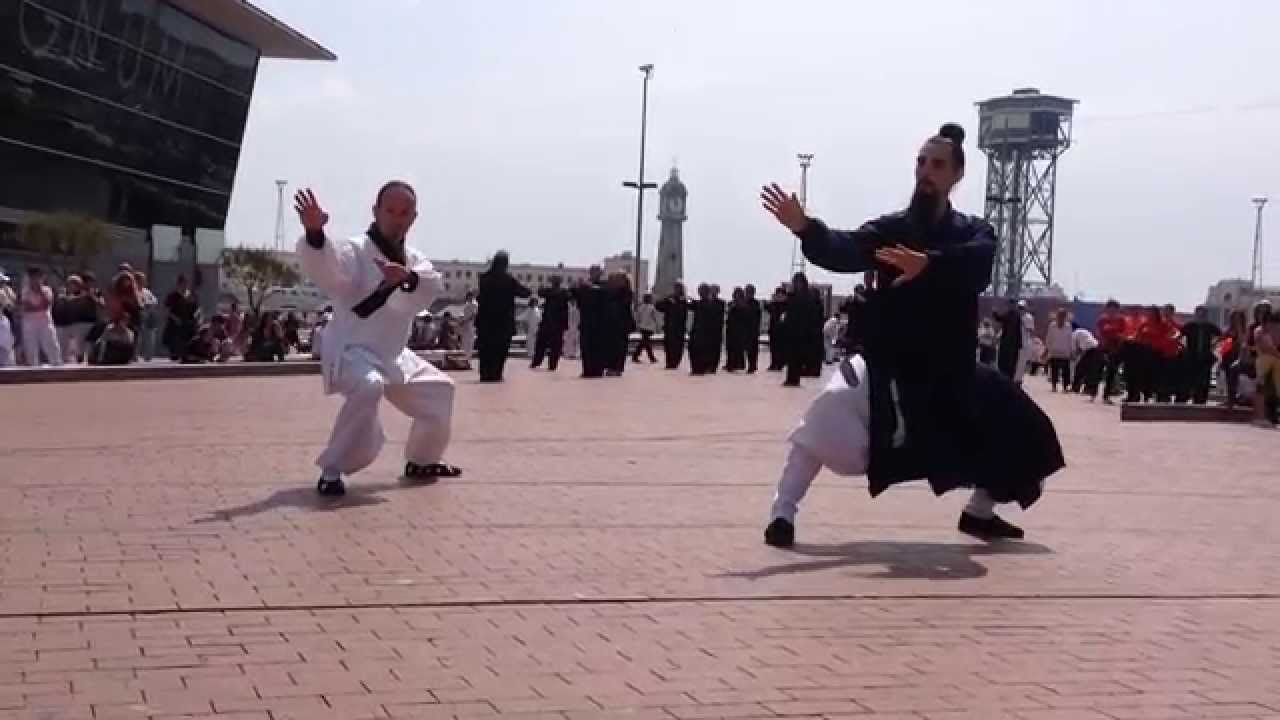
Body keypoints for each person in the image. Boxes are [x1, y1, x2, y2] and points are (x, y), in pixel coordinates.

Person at [758, 122, 1063, 547]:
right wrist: (806, 229)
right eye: (921, 161)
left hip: (950, 371)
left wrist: (929, 266)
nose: (926, 170)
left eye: (937, 164)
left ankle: (979, 512)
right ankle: (782, 513)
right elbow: (846, 247)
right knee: (827, 411)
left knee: (1029, 435)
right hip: (890, 363)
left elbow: (979, 263)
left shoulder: (974, 232)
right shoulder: (891, 230)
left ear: (956, 175)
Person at [293, 183, 461, 496]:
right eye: (390, 211)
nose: (397, 218)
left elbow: (429, 286)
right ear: (375, 212)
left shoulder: (413, 258)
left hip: (393, 354)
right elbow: (330, 273)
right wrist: (315, 234)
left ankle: (422, 460)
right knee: (369, 387)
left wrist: (407, 279)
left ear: (414, 217)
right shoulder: (355, 250)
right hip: (352, 350)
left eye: (404, 213)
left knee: (440, 391)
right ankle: (332, 470)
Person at [475, 251, 531, 383]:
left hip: (486, 322)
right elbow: (526, 293)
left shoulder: (484, 278)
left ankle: (485, 374)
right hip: (503, 322)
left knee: (485, 349)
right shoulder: (509, 280)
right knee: (500, 350)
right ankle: (496, 374)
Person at [782, 273, 822, 387]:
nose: (796, 284)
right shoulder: (793, 296)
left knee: (797, 356)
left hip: (802, 331)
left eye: (798, 282)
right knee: (791, 356)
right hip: (792, 330)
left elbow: (811, 316)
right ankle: (791, 378)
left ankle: (795, 378)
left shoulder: (807, 297)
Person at [1176, 306, 1221, 405]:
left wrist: (1214, 345)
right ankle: (1184, 400)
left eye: (1203, 314)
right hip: (1191, 357)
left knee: (1203, 383)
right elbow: (1178, 337)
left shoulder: (1210, 326)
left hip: (1205, 357)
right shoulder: (1189, 326)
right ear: (1196, 315)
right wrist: (1183, 348)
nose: (1201, 317)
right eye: (1199, 314)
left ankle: (1200, 401)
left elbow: (1221, 336)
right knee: (1188, 381)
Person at [572, 266, 611, 378]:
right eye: (592, 271)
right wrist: (577, 286)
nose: (594, 274)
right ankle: (587, 370)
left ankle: (598, 370)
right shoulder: (584, 287)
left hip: (600, 323)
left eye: (597, 271)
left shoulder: (605, 286)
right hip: (586, 322)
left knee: (599, 347)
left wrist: (592, 288)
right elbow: (576, 297)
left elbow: (607, 297)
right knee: (586, 347)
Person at [20, 267, 61, 366]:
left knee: (52, 346)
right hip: (29, 323)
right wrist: (36, 307)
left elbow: (46, 304)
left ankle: (57, 367)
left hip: (45, 322)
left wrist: (39, 290)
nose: (35, 279)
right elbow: (26, 307)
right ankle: (33, 370)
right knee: (31, 348)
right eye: (32, 277)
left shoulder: (47, 290)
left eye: (37, 277)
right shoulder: (25, 291)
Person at [532, 276, 570, 371]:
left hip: (551, 322)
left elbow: (540, 292)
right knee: (552, 345)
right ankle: (550, 364)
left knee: (544, 344)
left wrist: (541, 286)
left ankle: (539, 362)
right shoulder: (563, 292)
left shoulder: (552, 292)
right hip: (555, 323)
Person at [1095, 300, 1129, 404]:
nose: (1112, 311)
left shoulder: (1121, 320)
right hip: (1103, 347)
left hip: (1116, 348)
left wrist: (1117, 337)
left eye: (1115, 309)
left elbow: (1124, 333)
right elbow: (1099, 332)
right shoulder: (1102, 320)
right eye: (1110, 308)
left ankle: (1107, 394)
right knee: (1098, 370)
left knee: (1111, 371)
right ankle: (1093, 390)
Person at [163, 275, 200, 361]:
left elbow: (198, 309)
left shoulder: (192, 295)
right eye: (182, 283)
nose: (185, 285)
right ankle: (175, 355)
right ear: (178, 284)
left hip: (189, 323)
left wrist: (196, 318)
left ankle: (186, 355)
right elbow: (167, 310)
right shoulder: (172, 296)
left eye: (186, 283)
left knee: (188, 340)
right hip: (176, 323)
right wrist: (174, 318)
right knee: (175, 341)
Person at [655, 282, 692, 369]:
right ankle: (669, 362)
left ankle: (675, 362)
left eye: (678, 288)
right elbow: (658, 306)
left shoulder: (684, 300)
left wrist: (687, 300)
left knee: (678, 346)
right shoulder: (669, 299)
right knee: (668, 345)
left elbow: (692, 306)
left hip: (680, 327)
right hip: (669, 326)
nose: (677, 290)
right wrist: (666, 300)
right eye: (675, 288)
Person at [687, 283, 719, 375]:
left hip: (705, 333)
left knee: (700, 351)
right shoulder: (700, 303)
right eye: (699, 291)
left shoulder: (711, 304)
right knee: (693, 349)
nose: (700, 293)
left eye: (701, 291)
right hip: (697, 332)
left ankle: (699, 369)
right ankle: (696, 369)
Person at [1070, 324, 1103, 398]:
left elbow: (1074, 349)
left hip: (1090, 350)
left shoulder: (1074, 334)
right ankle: (1088, 389)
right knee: (1091, 370)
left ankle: (1075, 388)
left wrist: (1073, 356)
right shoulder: (1084, 330)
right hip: (1097, 348)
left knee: (1079, 369)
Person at [1044, 308, 1073, 392]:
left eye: (1063, 316)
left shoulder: (1068, 326)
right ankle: (1054, 386)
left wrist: (1071, 351)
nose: (1061, 317)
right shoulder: (1052, 325)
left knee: (1065, 371)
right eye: (1059, 315)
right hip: (1054, 351)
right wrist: (1047, 350)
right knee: (1054, 370)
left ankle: (1065, 387)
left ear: (1065, 317)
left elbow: (1070, 339)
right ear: (1057, 316)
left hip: (1065, 352)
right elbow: (1049, 338)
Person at [995, 299, 1023, 382]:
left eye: (1012, 304)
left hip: (1012, 343)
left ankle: (1009, 379)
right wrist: (995, 313)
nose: (1011, 306)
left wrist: (1019, 343)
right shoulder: (1008, 314)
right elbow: (1000, 319)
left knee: (1011, 363)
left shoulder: (1016, 316)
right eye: (1010, 304)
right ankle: (1004, 378)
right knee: (1003, 361)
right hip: (1006, 341)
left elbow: (1018, 330)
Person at [724, 287, 750, 372]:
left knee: (738, 347)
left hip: (739, 329)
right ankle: (730, 363)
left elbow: (744, 316)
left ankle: (738, 364)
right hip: (731, 328)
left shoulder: (744, 305)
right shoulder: (732, 303)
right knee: (730, 347)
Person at [136, 273, 161, 361]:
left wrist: (148, 304)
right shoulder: (134, 290)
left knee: (149, 337)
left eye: (143, 280)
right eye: (141, 280)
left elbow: (154, 301)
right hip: (138, 317)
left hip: (149, 318)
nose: (143, 282)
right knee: (138, 338)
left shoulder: (146, 291)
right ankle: (135, 356)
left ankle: (148, 356)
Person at [765, 286, 788, 372]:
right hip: (773, 329)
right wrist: (773, 299)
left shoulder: (787, 305)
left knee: (781, 348)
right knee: (773, 348)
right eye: (778, 294)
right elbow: (766, 307)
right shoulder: (773, 305)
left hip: (783, 330)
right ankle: (773, 364)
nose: (779, 296)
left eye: (781, 294)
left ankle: (780, 364)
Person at [632, 293, 660, 364]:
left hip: (642, 327)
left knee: (644, 342)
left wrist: (637, 325)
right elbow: (655, 318)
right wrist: (657, 326)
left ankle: (636, 356)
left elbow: (637, 317)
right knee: (646, 342)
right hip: (649, 327)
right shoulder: (652, 307)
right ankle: (650, 358)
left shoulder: (640, 307)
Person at [742, 284, 763, 373]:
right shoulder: (744, 302)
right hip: (745, 330)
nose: (747, 293)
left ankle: (753, 365)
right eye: (746, 291)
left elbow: (755, 315)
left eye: (749, 292)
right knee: (747, 349)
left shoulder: (755, 303)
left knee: (753, 349)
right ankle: (750, 365)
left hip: (753, 330)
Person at [459, 290, 478, 367]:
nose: (468, 297)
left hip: (470, 325)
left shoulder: (474, 304)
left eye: (469, 296)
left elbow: (473, 315)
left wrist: (464, 321)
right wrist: (462, 321)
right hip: (465, 325)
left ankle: (468, 360)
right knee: (464, 343)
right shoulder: (467, 304)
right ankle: (465, 360)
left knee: (469, 343)